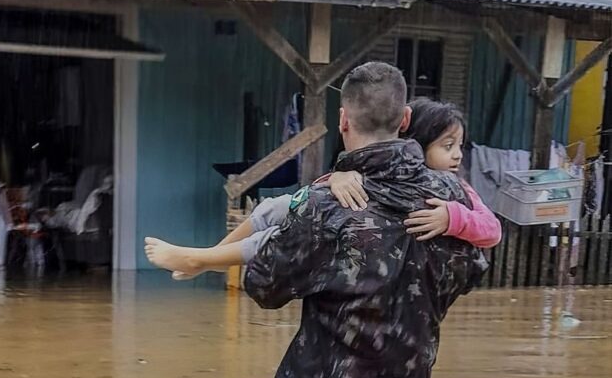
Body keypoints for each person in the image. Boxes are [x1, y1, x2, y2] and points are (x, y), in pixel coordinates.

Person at [161, 62, 487, 378]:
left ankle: (200, 257)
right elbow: (472, 270)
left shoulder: (325, 204)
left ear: (343, 120)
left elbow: (264, 287)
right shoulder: (454, 197)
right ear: (405, 118)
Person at [144, 99, 501, 279]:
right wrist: (336, 178)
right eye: (447, 145)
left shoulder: (455, 191)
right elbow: (321, 196)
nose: (456, 155)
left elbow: (492, 230)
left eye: (458, 147)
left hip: (378, 256)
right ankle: (212, 258)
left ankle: (201, 260)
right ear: (413, 138)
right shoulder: (374, 168)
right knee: (277, 207)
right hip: (364, 246)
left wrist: (452, 217)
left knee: (283, 236)